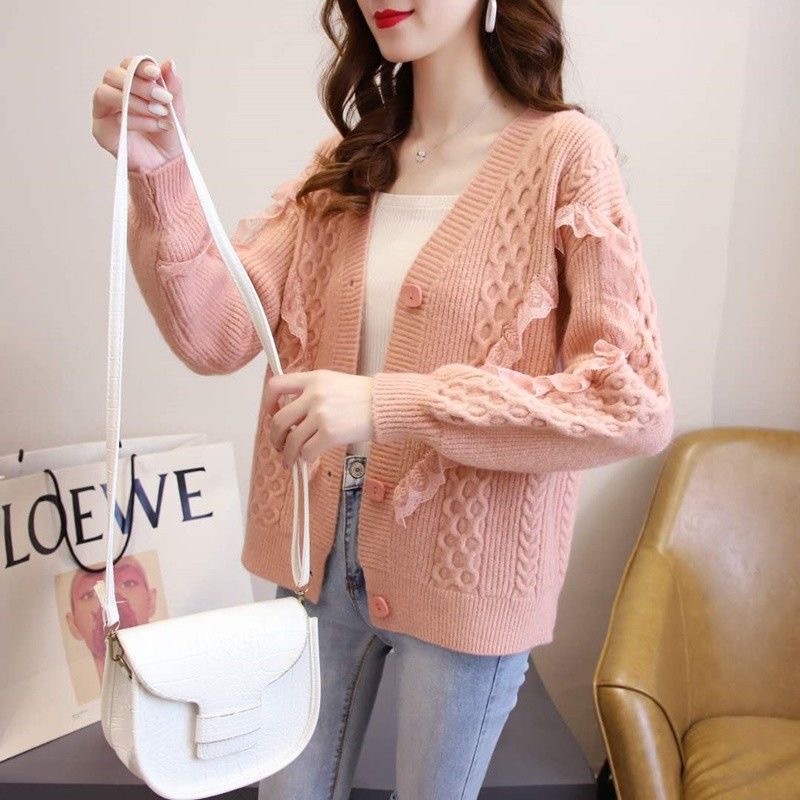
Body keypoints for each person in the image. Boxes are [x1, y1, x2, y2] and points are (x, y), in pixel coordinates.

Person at [91, 1, 674, 797]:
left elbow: (630, 402)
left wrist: (387, 405)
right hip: (316, 559)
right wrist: (158, 170)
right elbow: (216, 333)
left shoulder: (566, 153)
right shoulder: (349, 161)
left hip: (468, 570)